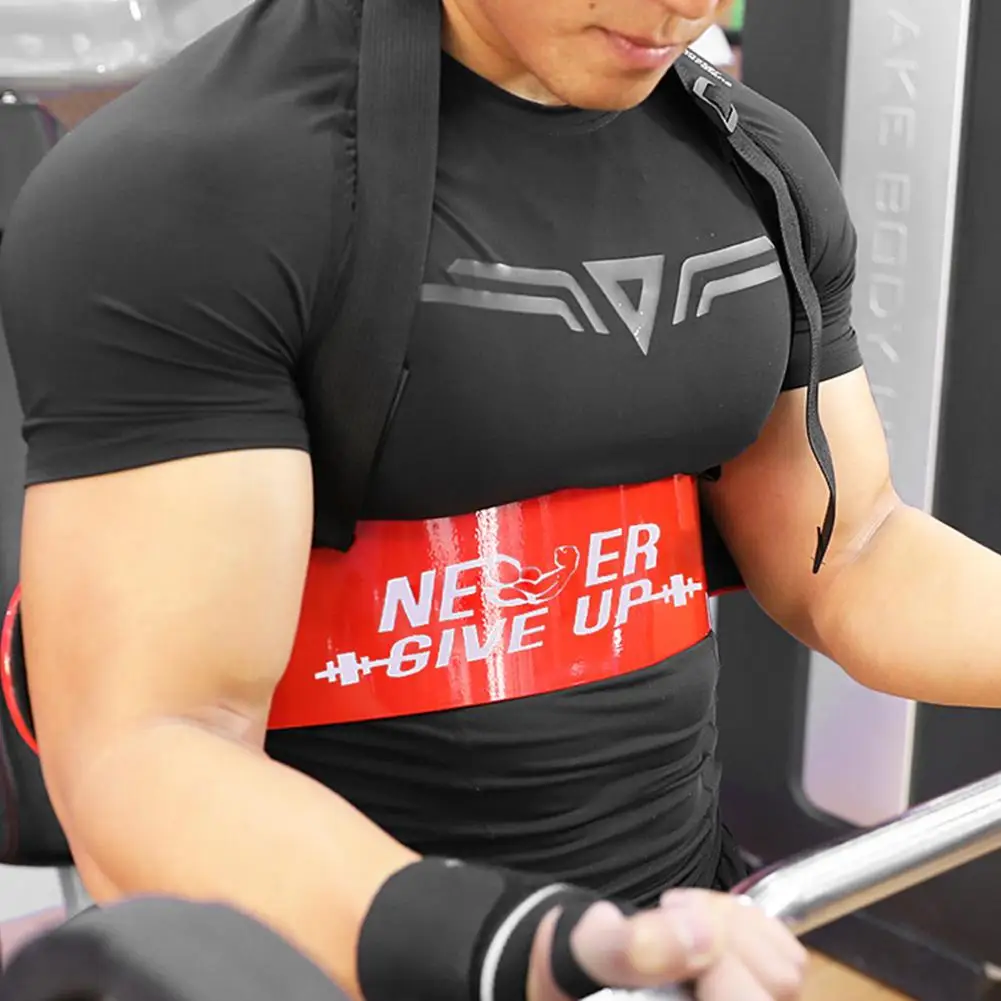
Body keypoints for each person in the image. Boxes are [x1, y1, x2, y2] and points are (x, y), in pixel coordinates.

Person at [2, 0, 1000, 999]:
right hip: (351, 962)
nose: (687, 7)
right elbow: (154, 747)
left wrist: (621, 949)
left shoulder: (754, 163)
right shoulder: (191, 191)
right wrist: (524, 943)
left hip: (682, 937)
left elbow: (852, 552)